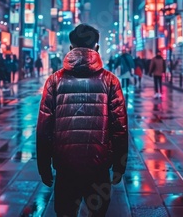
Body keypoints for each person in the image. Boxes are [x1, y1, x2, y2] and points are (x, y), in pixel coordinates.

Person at [36, 24, 128, 217]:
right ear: (97, 48)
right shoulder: (110, 81)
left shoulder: (54, 81)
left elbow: (44, 128)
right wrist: (120, 164)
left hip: (65, 166)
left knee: (65, 213)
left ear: (71, 49)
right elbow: (120, 127)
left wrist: (43, 165)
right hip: (99, 165)